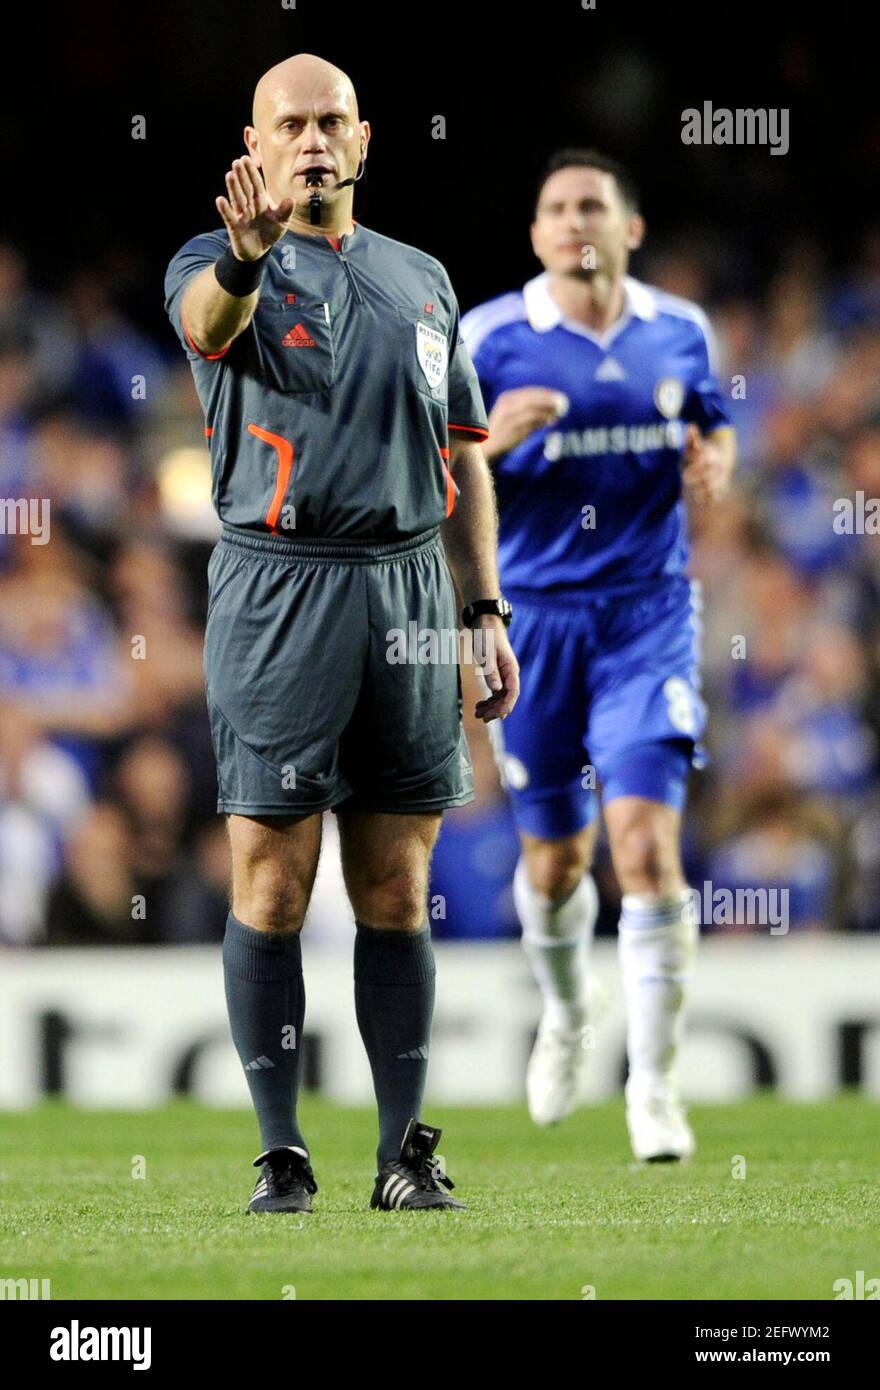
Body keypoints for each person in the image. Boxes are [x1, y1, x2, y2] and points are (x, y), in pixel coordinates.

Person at [164, 53, 519, 1212]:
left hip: (410, 583)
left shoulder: (423, 278)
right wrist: (246, 255)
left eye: (330, 123)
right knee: (270, 881)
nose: (311, 141)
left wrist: (484, 607)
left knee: (396, 885)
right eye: (289, 125)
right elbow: (207, 323)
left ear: (363, 139)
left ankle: (402, 1151)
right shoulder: (216, 266)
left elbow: (461, 445)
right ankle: (280, 1150)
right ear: (254, 146)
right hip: (281, 586)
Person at [461, 149, 736, 1161]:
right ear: (535, 235)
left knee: (646, 847)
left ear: (631, 227)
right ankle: (567, 1013)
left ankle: (655, 1088)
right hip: (533, 624)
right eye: (557, 208)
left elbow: (713, 425)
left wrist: (717, 461)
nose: (575, 221)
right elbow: (429, 484)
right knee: (555, 859)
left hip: (645, 615)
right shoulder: (488, 339)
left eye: (594, 206)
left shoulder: (680, 330)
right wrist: (487, 449)